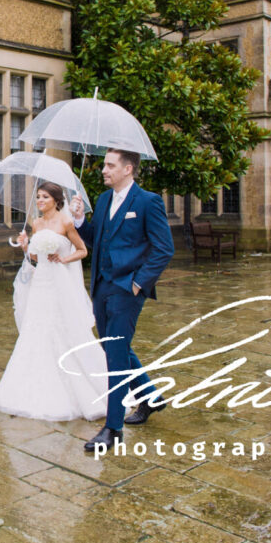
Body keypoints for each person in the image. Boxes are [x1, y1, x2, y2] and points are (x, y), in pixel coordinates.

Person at [69, 148, 174, 452]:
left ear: (128, 169)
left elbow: (163, 249)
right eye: (104, 165)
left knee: (115, 358)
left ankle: (113, 429)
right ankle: (151, 397)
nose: (104, 170)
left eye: (110, 165)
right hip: (101, 288)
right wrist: (79, 221)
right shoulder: (103, 201)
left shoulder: (147, 201)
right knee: (116, 348)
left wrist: (139, 284)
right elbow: (95, 238)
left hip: (127, 292)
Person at [0, 182, 109, 422]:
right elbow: (34, 258)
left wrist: (64, 258)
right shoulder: (37, 223)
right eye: (38, 197)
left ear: (56, 200)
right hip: (40, 284)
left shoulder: (65, 222)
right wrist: (26, 245)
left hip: (59, 283)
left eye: (45, 197)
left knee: (61, 328)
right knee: (36, 330)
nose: (40, 201)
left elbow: (82, 250)